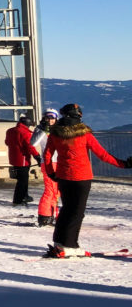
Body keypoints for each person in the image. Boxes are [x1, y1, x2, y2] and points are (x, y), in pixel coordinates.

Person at [41, 104, 132, 258]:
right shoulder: (84, 135)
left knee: (66, 209)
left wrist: (51, 173)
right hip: (81, 177)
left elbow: (47, 155)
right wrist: (124, 164)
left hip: (63, 176)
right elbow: (102, 155)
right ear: (78, 116)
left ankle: (59, 241)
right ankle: (70, 245)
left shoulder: (55, 134)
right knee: (77, 212)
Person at [32, 108, 60, 226]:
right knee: (50, 190)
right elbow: (33, 143)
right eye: (48, 118)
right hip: (48, 162)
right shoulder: (40, 129)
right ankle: (44, 215)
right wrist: (43, 130)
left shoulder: (59, 129)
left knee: (57, 191)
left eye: (52, 118)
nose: (50, 120)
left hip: (59, 162)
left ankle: (54, 214)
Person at [5, 114, 40, 205]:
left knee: (22, 179)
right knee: (23, 180)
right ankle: (18, 199)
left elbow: (7, 142)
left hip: (13, 158)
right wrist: (37, 156)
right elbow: (30, 146)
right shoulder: (25, 133)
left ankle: (25, 195)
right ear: (27, 124)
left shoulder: (10, 131)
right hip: (23, 159)